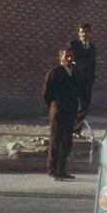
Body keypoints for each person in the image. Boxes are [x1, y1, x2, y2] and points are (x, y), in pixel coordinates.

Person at [42, 47, 80, 181]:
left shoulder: (74, 73)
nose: (69, 59)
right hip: (58, 111)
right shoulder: (55, 72)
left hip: (70, 112)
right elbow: (47, 93)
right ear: (60, 58)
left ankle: (62, 169)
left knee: (67, 142)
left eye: (71, 56)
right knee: (56, 141)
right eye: (66, 56)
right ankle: (52, 170)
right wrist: (53, 108)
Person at [69, 23, 97, 136]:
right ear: (79, 33)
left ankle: (77, 130)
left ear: (90, 33)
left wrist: (92, 77)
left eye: (86, 32)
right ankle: (71, 130)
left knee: (85, 106)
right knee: (74, 105)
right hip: (76, 79)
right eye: (82, 32)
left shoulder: (92, 46)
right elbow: (69, 60)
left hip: (87, 81)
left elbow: (93, 63)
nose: (84, 34)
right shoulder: (73, 44)